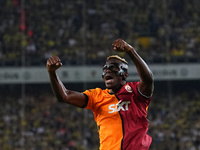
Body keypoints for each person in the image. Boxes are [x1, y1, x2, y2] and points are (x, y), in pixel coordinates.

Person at [46, 38, 154, 150]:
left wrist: (130, 50)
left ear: (125, 74)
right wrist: (52, 72)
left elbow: (148, 80)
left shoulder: (134, 92)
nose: (108, 70)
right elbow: (64, 96)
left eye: (113, 67)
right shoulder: (96, 96)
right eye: (105, 68)